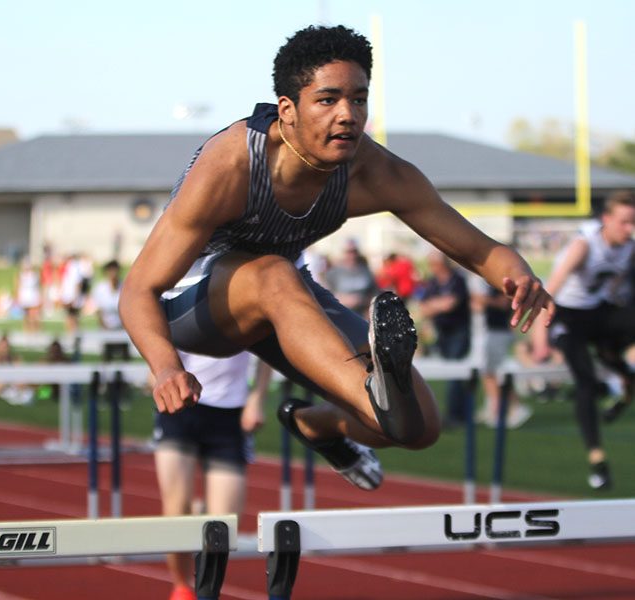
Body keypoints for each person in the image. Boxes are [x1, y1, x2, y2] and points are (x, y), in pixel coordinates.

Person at [119, 25, 554, 491]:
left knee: (416, 427)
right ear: (287, 110)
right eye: (328, 100)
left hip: (284, 297)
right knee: (272, 272)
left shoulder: (374, 171)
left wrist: (517, 274)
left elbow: (477, 247)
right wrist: (166, 366)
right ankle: (376, 393)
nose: (348, 115)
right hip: (197, 307)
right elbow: (137, 290)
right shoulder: (230, 166)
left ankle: (318, 424)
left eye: (359, 99)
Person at [532, 191, 635, 489]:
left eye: (633, 223)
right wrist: (541, 340)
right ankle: (598, 461)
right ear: (606, 220)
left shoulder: (629, 248)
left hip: (596, 313)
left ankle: (622, 381)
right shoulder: (584, 245)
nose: (629, 230)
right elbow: (547, 291)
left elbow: (615, 284)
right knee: (586, 383)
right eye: (624, 223)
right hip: (566, 316)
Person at [154, 351, 271, 600]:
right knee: (176, 513)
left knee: (225, 526)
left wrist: (258, 398)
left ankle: (199, 513)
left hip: (229, 416)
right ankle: (182, 587)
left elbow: (267, 348)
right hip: (180, 408)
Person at [418, 251, 474, 428]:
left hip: (458, 331)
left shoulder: (457, 280)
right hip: (441, 332)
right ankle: (457, 413)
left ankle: (456, 415)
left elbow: (451, 304)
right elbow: (424, 307)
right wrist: (439, 305)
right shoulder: (433, 283)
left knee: (455, 373)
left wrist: (435, 305)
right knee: (450, 372)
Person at [469, 276, 532, 428]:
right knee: (488, 373)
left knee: (496, 373)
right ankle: (495, 409)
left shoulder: (499, 281)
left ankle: (515, 408)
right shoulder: (483, 282)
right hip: (488, 331)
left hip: (498, 331)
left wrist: (482, 300)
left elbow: (504, 303)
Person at [325, 238, 377, 313]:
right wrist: (342, 299)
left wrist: (362, 300)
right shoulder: (334, 272)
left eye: (354, 251)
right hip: (341, 313)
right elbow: (325, 295)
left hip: (361, 314)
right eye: (349, 252)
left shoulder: (366, 271)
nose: (352, 255)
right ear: (344, 252)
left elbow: (374, 293)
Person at [92, 259, 130, 361]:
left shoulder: (124, 286)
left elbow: (128, 308)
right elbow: (98, 310)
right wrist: (104, 326)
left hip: (122, 327)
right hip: (106, 327)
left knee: (124, 355)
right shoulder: (100, 288)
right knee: (106, 356)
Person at [0, 332, 33, 405]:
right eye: (2, 346)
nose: (4, 349)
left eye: (6, 346)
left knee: (23, 381)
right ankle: (18, 396)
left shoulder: (14, 358)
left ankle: (20, 396)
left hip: (12, 383)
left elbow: (20, 371)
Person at [16, 257, 42, 331]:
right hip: (24, 298)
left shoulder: (34, 275)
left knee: (34, 317)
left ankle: (35, 331)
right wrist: (18, 297)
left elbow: (38, 287)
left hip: (33, 298)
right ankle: (27, 331)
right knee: (26, 317)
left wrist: (39, 297)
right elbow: (18, 286)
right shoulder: (20, 275)